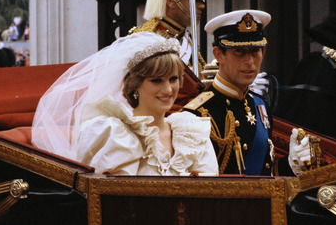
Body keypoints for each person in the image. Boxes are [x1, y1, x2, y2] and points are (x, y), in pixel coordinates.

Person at [32, 32, 218, 176]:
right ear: (135, 85)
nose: (168, 90)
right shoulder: (113, 134)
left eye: (173, 79)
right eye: (156, 81)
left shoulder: (193, 132)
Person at [184, 10, 313, 176]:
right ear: (219, 55)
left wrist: (292, 165)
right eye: (239, 51)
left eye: (255, 51)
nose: (249, 62)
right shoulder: (197, 114)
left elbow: (265, 175)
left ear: (263, 52)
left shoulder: (259, 104)